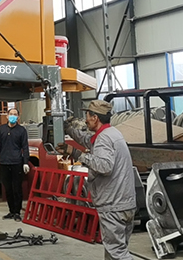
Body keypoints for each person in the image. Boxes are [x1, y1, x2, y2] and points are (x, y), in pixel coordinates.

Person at [56, 100, 136, 260]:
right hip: (124, 203)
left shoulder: (104, 139)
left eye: (87, 116)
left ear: (95, 118)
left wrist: (76, 153)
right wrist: (68, 129)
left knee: (117, 253)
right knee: (116, 251)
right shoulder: (111, 133)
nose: (85, 120)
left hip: (113, 204)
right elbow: (87, 140)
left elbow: (104, 166)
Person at [0, 108, 30, 221]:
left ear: (18, 117)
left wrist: (25, 162)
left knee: (17, 188)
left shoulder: (21, 130)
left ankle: (17, 212)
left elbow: (25, 147)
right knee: (8, 189)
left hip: (17, 162)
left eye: (15, 114)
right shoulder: (2, 129)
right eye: (11, 114)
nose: (13, 116)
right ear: (7, 116)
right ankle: (11, 211)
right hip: (4, 162)